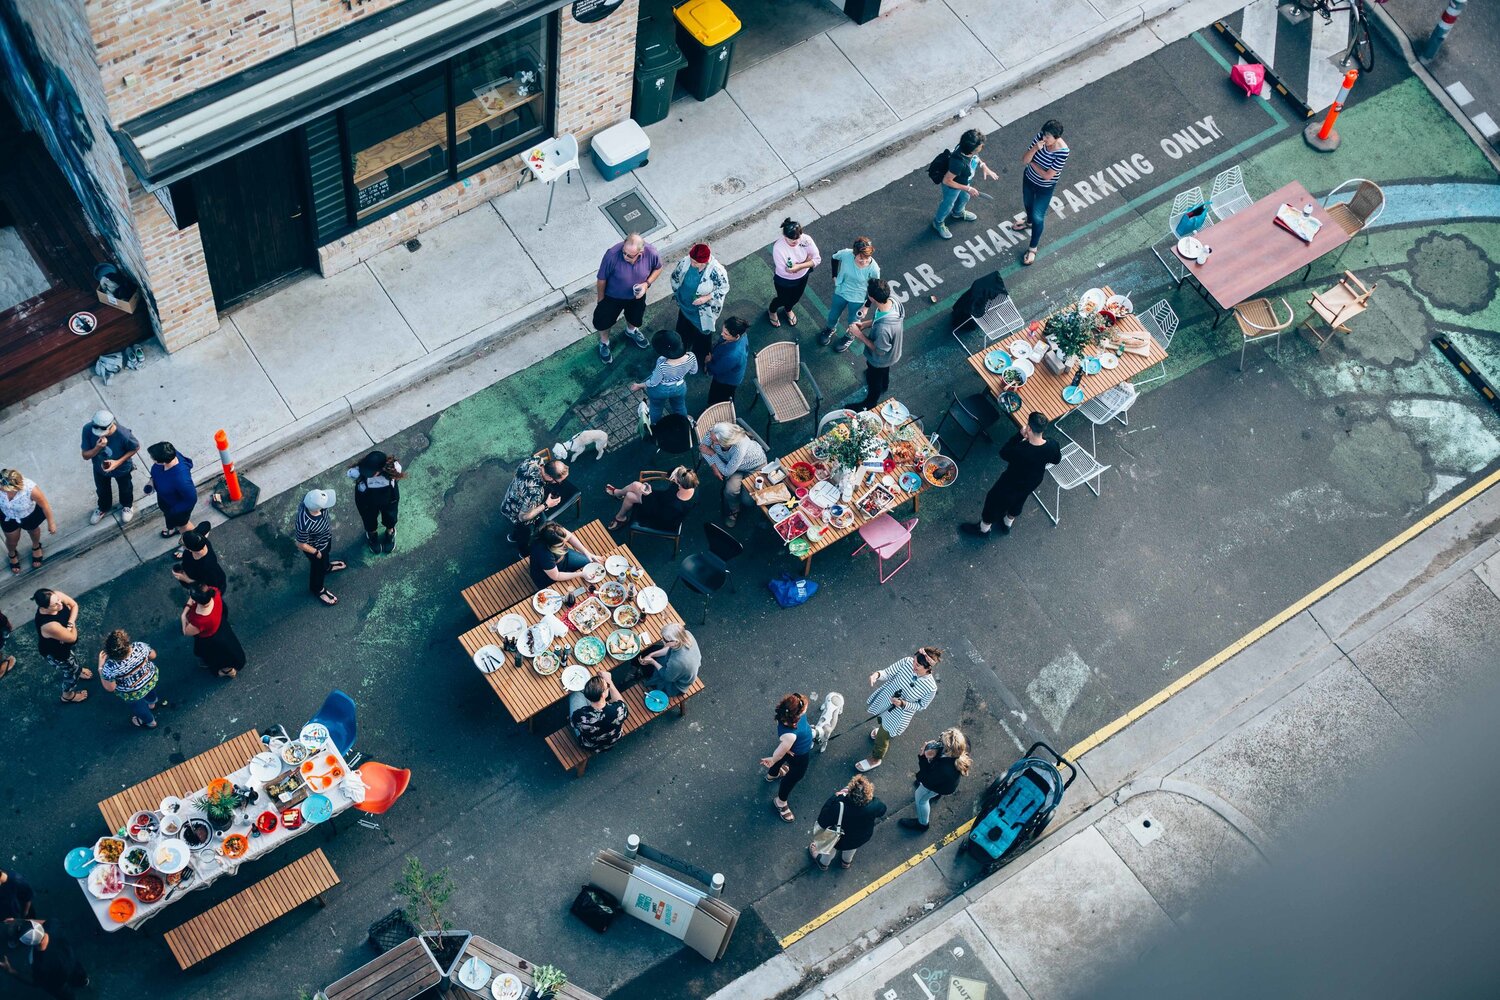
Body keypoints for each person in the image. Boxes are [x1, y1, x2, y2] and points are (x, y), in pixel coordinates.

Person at [961, 412, 1062, 538]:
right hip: (1033, 481)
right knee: (1019, 500)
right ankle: (1007, 524)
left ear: (1029, 428)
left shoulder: (1020, 449)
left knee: (993, 502)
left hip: (1011, 482)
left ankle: (983, 530)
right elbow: (1056, 460)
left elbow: (1004, 452)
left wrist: (1019, 435)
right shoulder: (1052, 445)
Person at [857, 647, 942, 772]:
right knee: (880, 719)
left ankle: (876, 759)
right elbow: (888, 672)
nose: (913, 665)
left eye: (918, 665)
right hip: (885, 700)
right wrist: (877, 675)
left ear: (928, 668)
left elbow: (921, 706)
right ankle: (882, 730)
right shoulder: (906, 662)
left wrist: (903, 703)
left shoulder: (931, 688)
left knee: (883, 737)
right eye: (914, 661)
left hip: (898, 714)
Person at [1006, 119, 1070, 265]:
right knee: (1027, 205)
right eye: (1044, 134)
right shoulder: (1040, 139)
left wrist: (1033, 163)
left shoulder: (1063, 152)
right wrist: (1035, 149)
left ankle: (1033, 248)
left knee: (1038, 216)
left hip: (1044, 188)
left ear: (1057, 137)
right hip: (1028, 179)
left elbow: (1048, 176)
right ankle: (1028, 223)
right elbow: (1024, 160)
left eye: (1048, 137)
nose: (1045, 138)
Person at [593, 233, 662, 364]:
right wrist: (601, 300)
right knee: (603, 321)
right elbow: (601, 279)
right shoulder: (612, 254)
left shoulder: (652, 253)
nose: (625, 256)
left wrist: (646, 284)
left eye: (629, 255)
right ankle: (604, 342)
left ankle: (631, 331)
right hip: (612, 296)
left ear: (641, 252)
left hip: (636, 296)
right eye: (624, 252)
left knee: (635, 317)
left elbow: (658, 268)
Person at [840, 279, 904, 410]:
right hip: (891, 355)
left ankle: (870, 403)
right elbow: (878, 318)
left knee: (874, 381)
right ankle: (884, 385)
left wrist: (858, 334)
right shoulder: (892, 301)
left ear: (872, 297)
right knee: (883, 373)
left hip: (880, 359)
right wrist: (864, 325)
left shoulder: (883, 329)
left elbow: (880, 351)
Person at [899, 727, 973, 832]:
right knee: (931, 790)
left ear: (947, 750)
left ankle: (923, 824)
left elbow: (925, 779)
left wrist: (923, 757)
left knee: (920, 799)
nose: (938, 742)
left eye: (940, 742)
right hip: (945, 783)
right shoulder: (962, 747)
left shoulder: (944, 770)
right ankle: (936, 795)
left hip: (937, 785)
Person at [669, 242, 728, 368]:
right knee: (682, 329)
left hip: (702, 311)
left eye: (695, 262)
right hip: (685, 305)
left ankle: (700, 356)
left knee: (703, 335)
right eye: (691, 260)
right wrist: (677, 293)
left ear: (705, 261)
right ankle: (681, 349)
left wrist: (706, 298)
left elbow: (724, 288)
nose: (691, 264)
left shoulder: (717, 271)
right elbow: (675, 276)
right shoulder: (686, 261)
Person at [933, 128, 999, 240]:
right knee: (947, 205)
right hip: (952, 187)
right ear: (971, 150)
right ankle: (938, 222)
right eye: (980, 146)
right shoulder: (958, 163)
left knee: (964, 198)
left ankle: (958, 213)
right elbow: (947, 180)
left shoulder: (964, 148)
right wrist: (968, 188)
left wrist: (984, 166)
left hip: (964, 182)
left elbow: (975, 157)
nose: (982, 146)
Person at [810, 775, 887, 871]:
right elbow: (882, 811)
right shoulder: (875, 805)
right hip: (860, 837)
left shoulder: (839, 806)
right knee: (851, 849)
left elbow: (823, 821)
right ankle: (846, 862)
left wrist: (835, 796)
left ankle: (823, 864)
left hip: (838, 838)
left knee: (829, 850)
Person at [499, 455, 575, 552]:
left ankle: (512, 537)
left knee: (518, 530)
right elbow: (523, 517)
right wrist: (547, 505)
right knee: (525, 536)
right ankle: (523, 552)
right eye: (557, 482)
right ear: (549, 476)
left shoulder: (534, 460)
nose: (558, 483)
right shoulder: (535, 493)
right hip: (517, 515)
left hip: (508, 502)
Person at [699, 421, 767, 528]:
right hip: (733, 466)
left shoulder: (739, 447)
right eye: (711, 434)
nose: (710, 437)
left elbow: (726, 471)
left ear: (725, 443)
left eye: (714, 440)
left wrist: (712, 453)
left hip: (755, 467)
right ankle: (735, 509)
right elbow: (703, 448)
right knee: (730, 490)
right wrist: (713, 465)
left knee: (747, 501)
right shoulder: (715, 431)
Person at [1, 919, 89, 1000]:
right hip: (72, 961)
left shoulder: (40, 964)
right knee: (79, 975)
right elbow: (45, 922)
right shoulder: (53, 927)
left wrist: (10, 970)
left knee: (63, 993)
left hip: (59, 980)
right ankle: (84, 982)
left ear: (28, 943)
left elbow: (35, 982)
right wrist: (18, 921)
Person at [761, 693, 814, 823]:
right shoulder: (790, 736)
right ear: (797, 715)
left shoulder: (784, 717)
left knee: (783, 756)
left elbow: (782, 749)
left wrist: (786, 748)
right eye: (804, 707)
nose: (806, 705)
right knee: (795, 776)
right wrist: (773, 758)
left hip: (791, 748)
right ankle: (780, 802)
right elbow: (778, 753)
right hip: (799, 754)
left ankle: (773, 774)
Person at [80, 409, 139, 525]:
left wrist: (117, 462)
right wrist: (97, 448)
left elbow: (135, 448)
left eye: (103, 431)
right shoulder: (87, 429)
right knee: (102, 490)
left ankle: (127, 505)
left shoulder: (124, 435)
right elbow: (85, 456)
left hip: (121, 468)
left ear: (111, 425)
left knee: (125, 488)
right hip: (99, 468)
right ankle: (103, 507)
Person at [98, 628, 166, 729]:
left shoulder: (110, 667)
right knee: (150, 691)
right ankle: (152, 703)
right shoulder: (139, 646)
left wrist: (100, 668)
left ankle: (151, 722)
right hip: (149, 679)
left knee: (138, 706)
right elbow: (153, 655)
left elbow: (110, 688)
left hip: (132, 692)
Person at [820, 237, 879, 347]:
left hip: (858, 298)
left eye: (867, 258)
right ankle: (830, 329)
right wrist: (834, 275)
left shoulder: (874, 269)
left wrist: (866, 307)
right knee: (833, 315)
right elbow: (834, 257)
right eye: (861, 258)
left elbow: (874, 288)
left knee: (854, 322)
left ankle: (850, 336)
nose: (865, 261)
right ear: (854, 253)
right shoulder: (846, 254)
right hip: (841, 292)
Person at [630, 329, 698, 423]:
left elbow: (653, 382)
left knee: (656, 408)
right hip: (679, 387)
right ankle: (684, 423)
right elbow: (694, 371)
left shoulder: (662, 365)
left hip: (660, 390)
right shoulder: (691, 356)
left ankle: (654, 425)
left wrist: (639, 385)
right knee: (679, 406)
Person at [32, 590, 88, 704]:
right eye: (55, 605)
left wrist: (70, 624)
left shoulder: (55, 596)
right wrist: (70, 628)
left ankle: (78, 670)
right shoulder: (49, 625)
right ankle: (67, 695)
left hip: (64, 645)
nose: (60, 604)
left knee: (74, 664)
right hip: (57, 653)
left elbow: (74, 605)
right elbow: (73, 638)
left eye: (58, 600)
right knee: (71, 673)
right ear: (44, 608)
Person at [181, 583, 246, 679]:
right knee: (227, 652)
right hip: (221, 627)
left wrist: (183, 615)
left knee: (215, 656)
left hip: (210, 639)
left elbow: (186, 631)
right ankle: (228, 668)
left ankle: (226, 671)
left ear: (196, 600)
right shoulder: (214, 592)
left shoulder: (200, 621)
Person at [604, 466, 697, 532]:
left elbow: (661, 515)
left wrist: (648, 495)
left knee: (630, 495)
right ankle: (620, 511)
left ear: (680, 483)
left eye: (675, 479)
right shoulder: (688, 483)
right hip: (661, 501)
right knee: (633, 488)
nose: (672, 480)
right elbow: (670, 475)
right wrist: (678, 470)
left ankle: (619, 502)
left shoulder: (677, 505)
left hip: (662, 517)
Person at [347, 451, 404, 554]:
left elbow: (397, 473)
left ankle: (390, 531)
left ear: (382, 468)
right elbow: (350, 473)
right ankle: (371, 534)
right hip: (367, 498)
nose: (366, 474)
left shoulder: (393, 468)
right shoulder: (358, 471)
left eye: (371, 473)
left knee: (390, 516)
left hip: (388, 497)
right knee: (368, 518)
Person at [295, 488, 345, 606]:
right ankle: (317, 589)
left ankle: (326, 567)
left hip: (325, 540)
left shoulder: (308, 501)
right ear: (317, 508)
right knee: (317, 569)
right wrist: (316, 552)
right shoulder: (304, 523)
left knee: (325, 557)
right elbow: (300, 543)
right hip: (316, 548)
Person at [768, 218, 821, 328]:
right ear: (785, 236)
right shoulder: (778, 247)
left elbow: (817, 259)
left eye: (797, 238)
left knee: (796, 297)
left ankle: (788, 309)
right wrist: (807, 261)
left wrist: (799, 266)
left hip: (803, 276)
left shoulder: (806, 240)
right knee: (782, 299)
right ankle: (772, 310)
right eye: (791, 239)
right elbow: (786, 271)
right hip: (784, 280)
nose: (794, 241)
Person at [1, 469, 56, 573]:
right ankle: (12, 553)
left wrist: (51, 523)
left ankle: (36, 546)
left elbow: (44, 505)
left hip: (28, 514)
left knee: (33, 531)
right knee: (11, 541)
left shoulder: (30, 489)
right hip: (7, 516)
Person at [142, 442, 199, 540]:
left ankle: (189, 543)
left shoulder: (181, 480)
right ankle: (172, 528)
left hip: (177, 509)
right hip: (166, 502)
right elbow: (157, 474)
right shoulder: (170, 453)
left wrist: (174, 511)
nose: (151, 459)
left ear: (163, 462)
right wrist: (151, 482)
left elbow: (191, 499)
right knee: (170, 519)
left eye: (153, 458)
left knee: (184, 526)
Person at [527, 522, 604, 592]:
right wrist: (580, 574)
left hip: (564, 558)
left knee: (590, 562)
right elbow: (556, 576)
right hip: (547, 576)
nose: (565, 543)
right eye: (561, 544)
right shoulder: (544, 554)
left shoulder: (553, 530)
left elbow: (570, 537)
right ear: (550, 545)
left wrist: (587, 552)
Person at [569, 670, 628, 753]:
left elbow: (573, 724)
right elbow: (621, 702)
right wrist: (609, 681)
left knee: (575, 694)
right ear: (603, 695)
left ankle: (582, 694)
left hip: (590, 744)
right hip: (613, 740)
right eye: (607, 686)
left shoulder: (580, 716)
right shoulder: (618, 710)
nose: (608, 686)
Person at [639, 623, 701, 697]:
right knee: (650, 651)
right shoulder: (686, 634)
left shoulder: (677, 661)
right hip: (687, 670)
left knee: (647, 669)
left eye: (665, 640)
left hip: (677, 685)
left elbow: (666, 677)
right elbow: (670, 649)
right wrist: (652, 654)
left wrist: (652, 662)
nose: (662, 640)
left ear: (675, 641)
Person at [704, 316, 749, 406]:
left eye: (726, 334)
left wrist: (708, 362)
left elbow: (716, 369)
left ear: (736, 336)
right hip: (732, 373)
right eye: (723, 331)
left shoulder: (732, 356)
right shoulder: (742, 335)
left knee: (719, 396)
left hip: (726, 380)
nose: (722, 334)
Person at [172, 529, 227, 593]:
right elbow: (206, 524)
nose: (180, 542)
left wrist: (186, 579)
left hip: (202, 586)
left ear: (189, 548)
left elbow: (209, 588)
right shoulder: (201, 542)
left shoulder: (207, 567)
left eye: (182, 542)